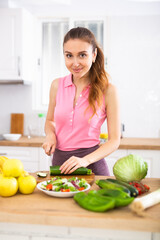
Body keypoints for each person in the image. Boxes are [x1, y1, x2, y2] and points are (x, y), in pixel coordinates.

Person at [42, 27, 120, 176]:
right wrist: (50, 136)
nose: (75, 63)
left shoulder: (108, 90)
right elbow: (50, 121)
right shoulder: (56, 85)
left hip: (92, 166)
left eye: (82, 55)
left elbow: (114, 140)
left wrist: (84, 160)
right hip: (60, 164)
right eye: (69, 55)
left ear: (94, 54)